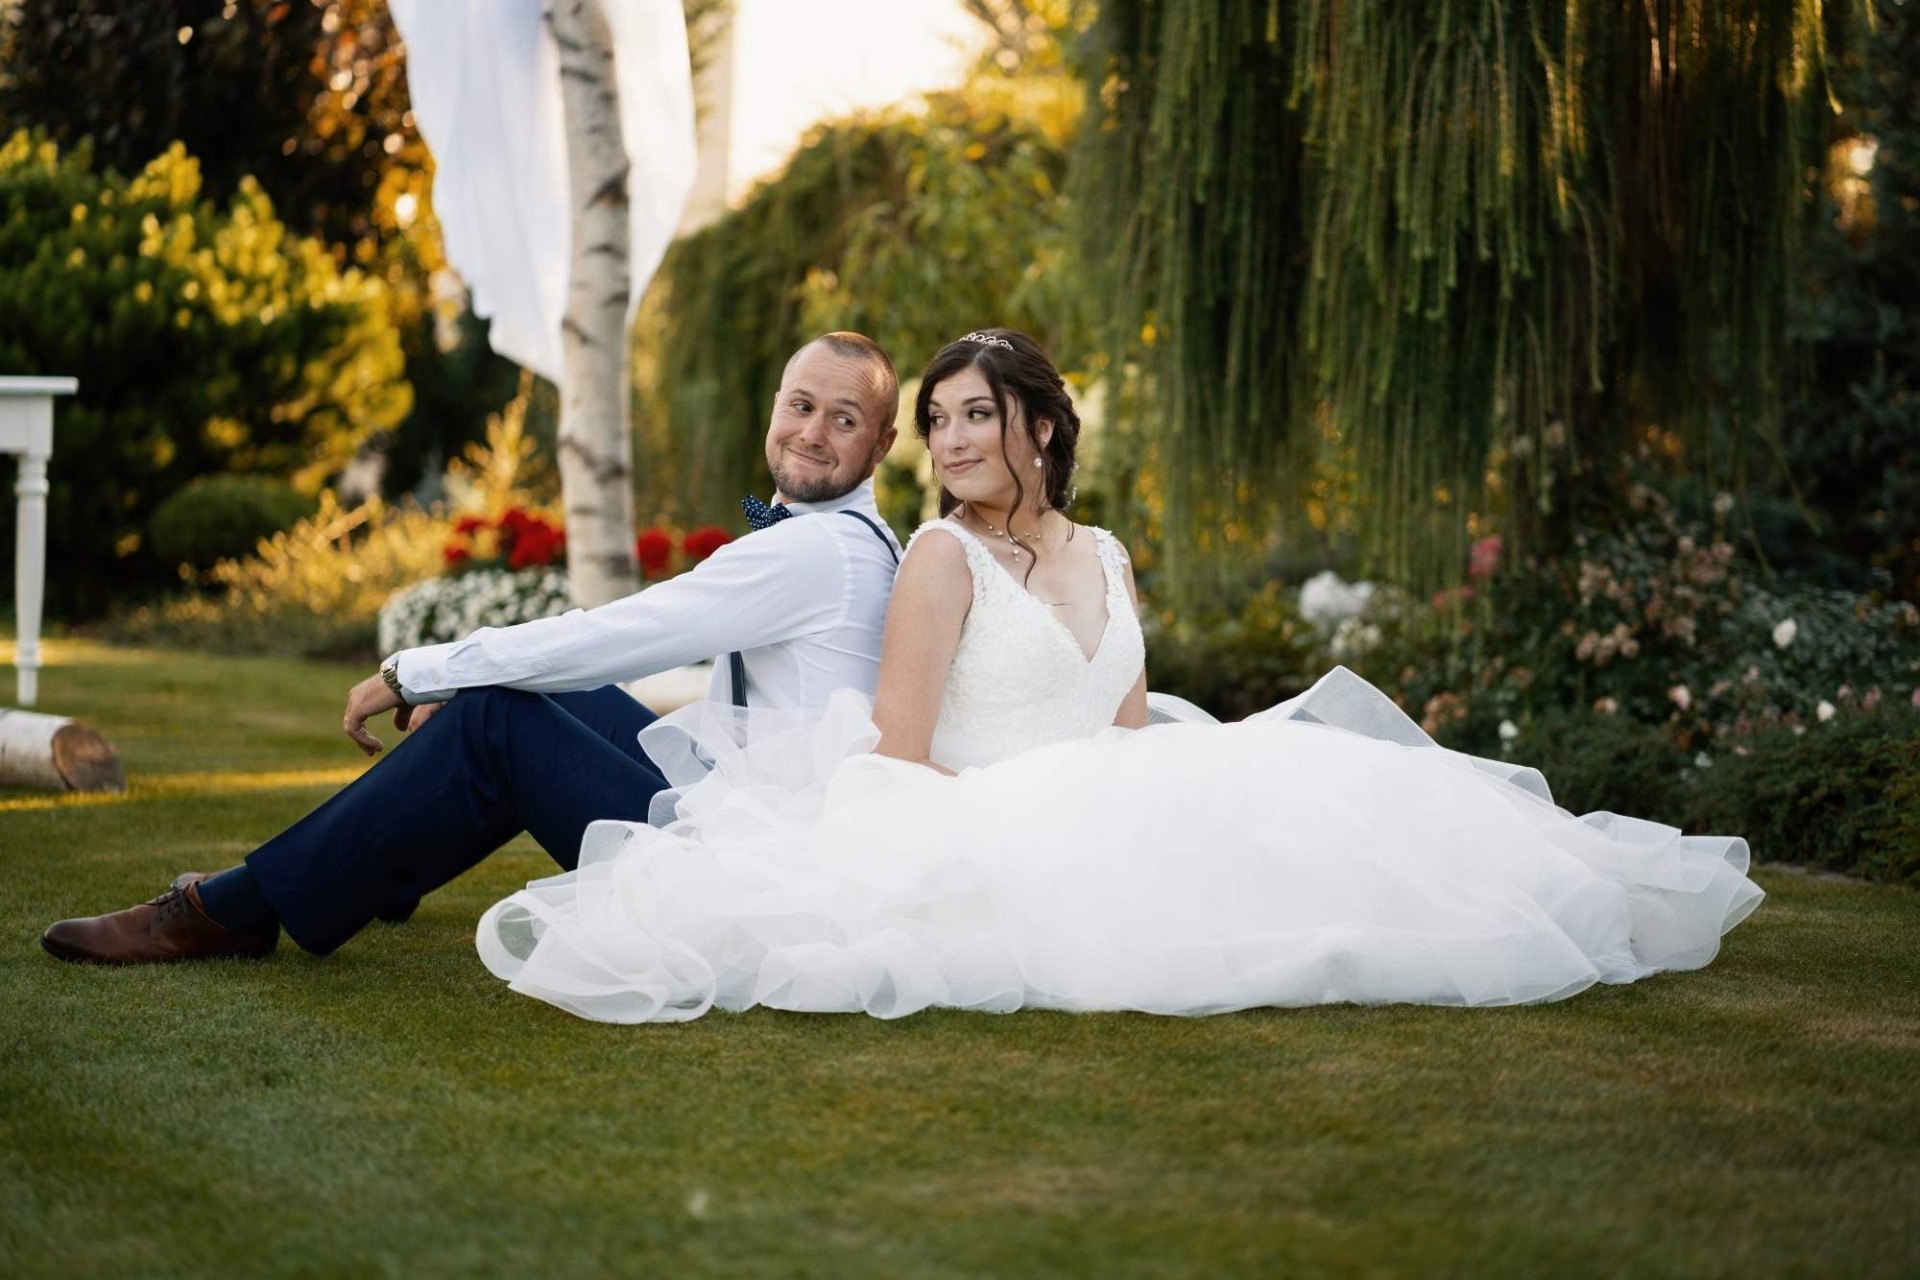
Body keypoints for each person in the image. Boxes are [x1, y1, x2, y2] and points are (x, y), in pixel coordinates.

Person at [474, 328, 1764, 1024]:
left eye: (977, 414)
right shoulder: (936, 556)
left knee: (1349, 851)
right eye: (937, 420)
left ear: (1039, 425)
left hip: (1122, 789)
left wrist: (1166, 807)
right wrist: (1011, 836)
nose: (952, 439)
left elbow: (1132, 721)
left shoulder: (1107, 554)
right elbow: (900, 752)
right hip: (980, 814)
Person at [41, 332, 905, 965]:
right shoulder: (849, 540)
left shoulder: (812, 550)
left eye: (844, 419)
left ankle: (238, 907)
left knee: (498, 719)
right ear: (775, 406)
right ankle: (381, 870)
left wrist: (420, 670)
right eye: (800, 406)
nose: (812, 432)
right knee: (538, 697)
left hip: (747, 875)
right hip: (756, 819)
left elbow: (620, 635)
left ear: (881, 446)